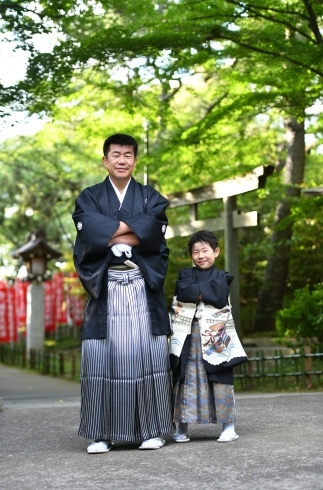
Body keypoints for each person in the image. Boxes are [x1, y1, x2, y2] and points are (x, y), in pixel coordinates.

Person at [72, 133, 174, 453]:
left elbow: (155, 234)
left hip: (142, 286)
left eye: (128, 154)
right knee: (101, 359)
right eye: (115, 154)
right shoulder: (89, 197)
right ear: (105, 160)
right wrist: (134, 232)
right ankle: (102, 434)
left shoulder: (150, 196)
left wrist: (111, 234)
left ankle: (152, 430)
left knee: (149, 357)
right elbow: (89, 232)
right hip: (106, 287)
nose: (121, 160)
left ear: (135, 160)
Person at [169, 230, 247, 443]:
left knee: (220, 378)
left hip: (215, 335)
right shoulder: (185, 274)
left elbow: (219, 296)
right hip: (188, 335)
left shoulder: (222, 276)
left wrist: (197, 292)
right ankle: (181, 428)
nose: (200, 255)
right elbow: (184, 292)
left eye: (205, 250)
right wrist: (206, 292)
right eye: (195, 252)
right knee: (184, 378)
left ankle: (228, 427)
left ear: (216, 251)